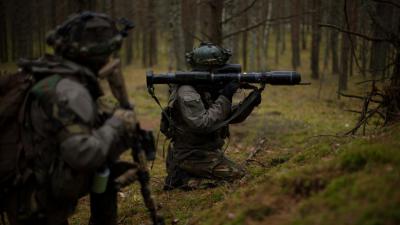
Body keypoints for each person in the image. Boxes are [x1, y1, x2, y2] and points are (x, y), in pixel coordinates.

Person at [2, 12, 139, 225]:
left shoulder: (51, 76)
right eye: (109, 53)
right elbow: (83, 154)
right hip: (35, 203)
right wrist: (117, 123)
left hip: (30, 189)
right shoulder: (70, 91)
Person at [163, 42, 262, 190]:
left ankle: (187, 175)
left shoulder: (207, 88)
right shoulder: (187, 91)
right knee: (241, 178)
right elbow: (203, 124)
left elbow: (223, 118)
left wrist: (249, 103)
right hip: (190, 155)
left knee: (241, 176)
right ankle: (181, 177)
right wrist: (226, 95)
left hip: (205, 152)